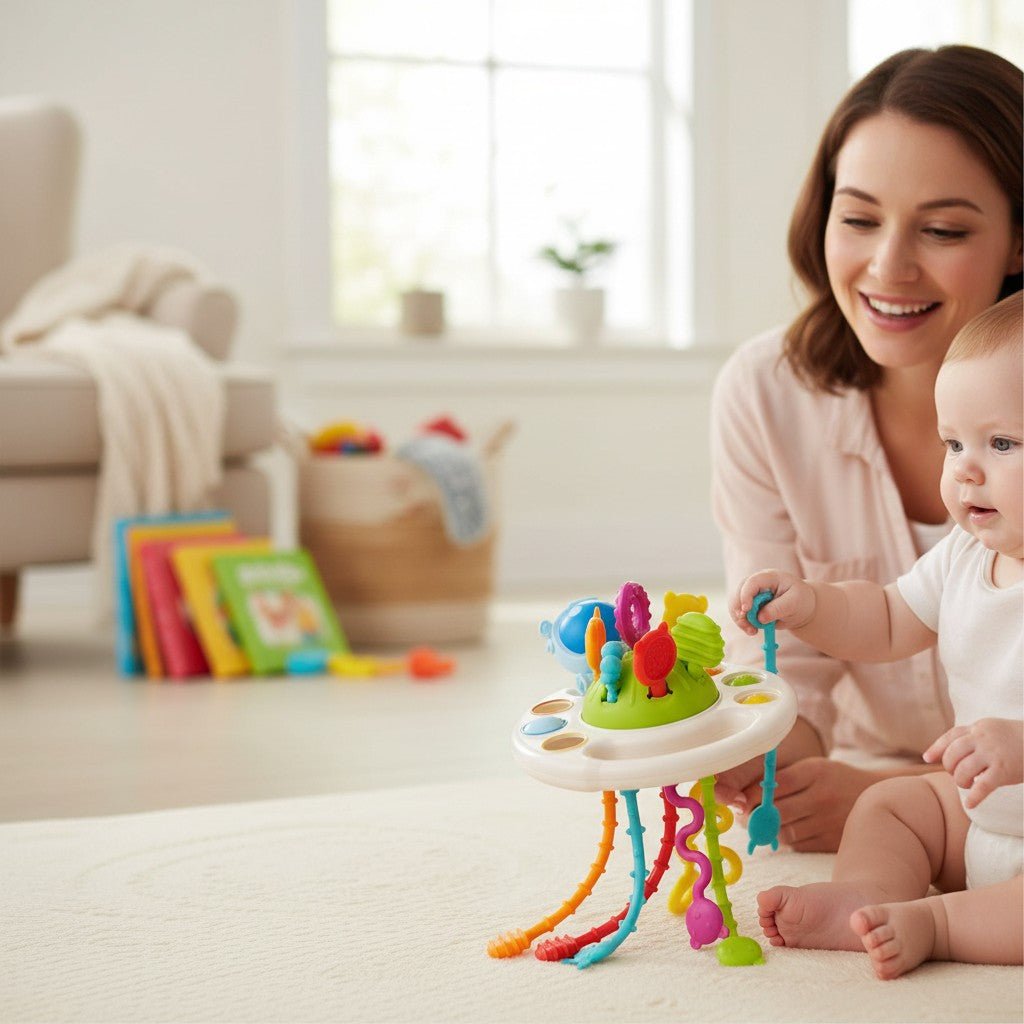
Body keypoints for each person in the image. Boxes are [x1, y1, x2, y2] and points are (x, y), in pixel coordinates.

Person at [710, 45, 1023, 851]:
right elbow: (780, 665)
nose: (888, 266)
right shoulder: (766, 394)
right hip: (908, 785)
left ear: (1020, 241)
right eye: (857, 219)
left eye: (944, 229)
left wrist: (885, 796)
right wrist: (774, 768)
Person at [729, 293, 1023, 979]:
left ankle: (939, 923)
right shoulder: (965, 557)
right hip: (979, 816)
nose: (966, 470)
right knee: (892, 803)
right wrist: (811, 605)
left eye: (1002, 443)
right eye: (955, 443)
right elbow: (889, 618)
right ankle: (867, 893)